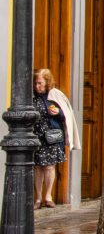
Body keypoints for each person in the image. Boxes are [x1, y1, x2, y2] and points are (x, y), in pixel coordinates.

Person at [33, 68, 78, 208]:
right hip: (37, 136)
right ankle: (38, 198)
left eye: (40, 83)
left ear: (47, 82)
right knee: (38, 167)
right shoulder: (32, 97)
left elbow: (66, 116)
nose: (37, 86)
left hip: (51, 137)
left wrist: (58, 112)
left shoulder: (55, 95)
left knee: (50, 167)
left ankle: (48, 196)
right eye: (35, 83)